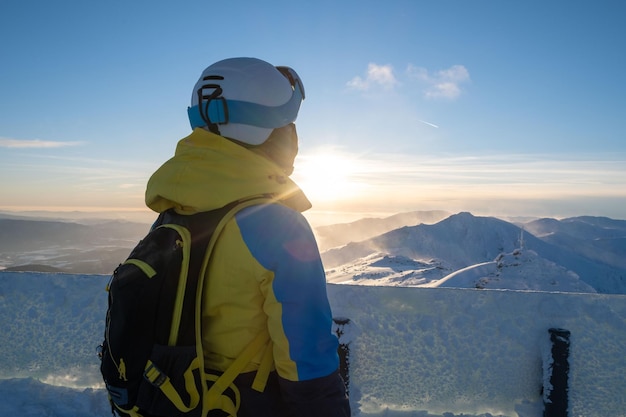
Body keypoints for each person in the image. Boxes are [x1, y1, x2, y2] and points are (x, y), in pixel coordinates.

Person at [144, 57, 351, 417]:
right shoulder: (276, 223)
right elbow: (306, 359)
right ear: (271, 132)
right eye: (289, 125)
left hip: (176, 395)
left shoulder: (175, 206)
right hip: (244, 400)